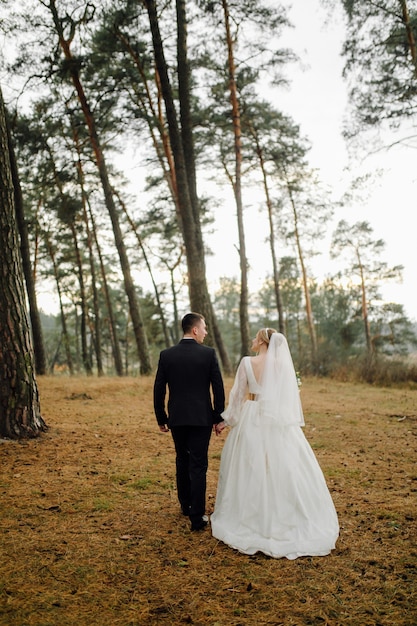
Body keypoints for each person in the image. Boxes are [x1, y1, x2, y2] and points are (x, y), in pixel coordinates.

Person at [211, 328, 339, 559]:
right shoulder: (282, 365)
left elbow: (239, 394)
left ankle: (252, 516)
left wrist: (226, 420)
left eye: (254, 337)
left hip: (253, 415)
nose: (252, 339)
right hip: (277, 418)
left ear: (261, 340)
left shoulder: (247, 362)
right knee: (283, 465)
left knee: (251, 465)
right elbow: (287, 396)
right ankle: (286, 513)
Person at [153, 312, 225, 531]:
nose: (205, 332)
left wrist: (161, 417)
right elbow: (218, 388)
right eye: (203, 328)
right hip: (201, 418)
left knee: (181, 460)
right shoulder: (208, 354)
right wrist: (217, 416)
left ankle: (185, 505)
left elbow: (159, 389)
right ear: (194, 330)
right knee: (198, 465)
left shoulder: (167, 355)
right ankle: (197, 516)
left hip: (177, 417)